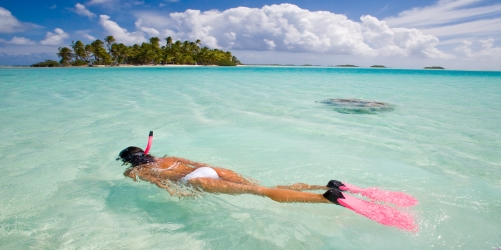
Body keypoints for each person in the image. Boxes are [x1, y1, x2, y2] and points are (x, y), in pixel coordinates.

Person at [117, 146, 345, 205]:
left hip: (195, 180)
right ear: (145, 152)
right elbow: (201, 163)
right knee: (264, 185)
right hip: (213, 170)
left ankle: (324, 198)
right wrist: (218, 172)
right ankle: (326, 185)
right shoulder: (168, 157)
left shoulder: (136, 171)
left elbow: (159, 183)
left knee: (258, 192)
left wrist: (176, 192)